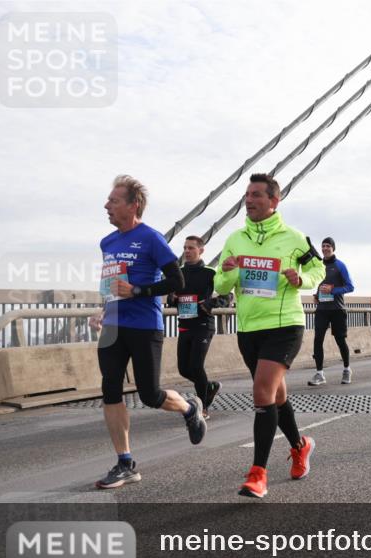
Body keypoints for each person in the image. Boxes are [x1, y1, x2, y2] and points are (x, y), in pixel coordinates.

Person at [91, 175, 205, 489]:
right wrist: (102, 310)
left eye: (113, 201)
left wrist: (139, 290)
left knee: (150, 395)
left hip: (144, 326)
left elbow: (177, 283)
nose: (107, 205)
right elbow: (110, 286)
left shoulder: (152, 238)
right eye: (108, 200)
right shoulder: (108, 242)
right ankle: (125, 462)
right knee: (110, 389)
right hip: (114, 325)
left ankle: (188, 406)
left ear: (133, 205)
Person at [214, 173, 325, 499]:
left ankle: (257, 473)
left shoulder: (294, 238)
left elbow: (318, 271)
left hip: (284, 326)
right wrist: (229, 270)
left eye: (256, 195)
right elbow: (220, 285)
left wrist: (300, 278)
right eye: (246, 195)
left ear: (273, 201)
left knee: (262, 391)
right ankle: (300, 445)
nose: (248, 200)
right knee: (275, 396)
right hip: (249, 329)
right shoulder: (235, 240)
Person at [167, 235, 226, 417]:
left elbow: (227, 297)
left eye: (191, 248)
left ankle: (203, 407)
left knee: (196, 365)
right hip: (184, 324)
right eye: (185, 248)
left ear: (201, 250)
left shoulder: (210, 273)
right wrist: (173, 298)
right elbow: (170, 297)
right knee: (184, 369)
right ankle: (209, 386)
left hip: (203, 324)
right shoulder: (178, 272)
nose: (186, 251)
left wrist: (209, 303)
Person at [309, 237, 355, 387]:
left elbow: (350, 287)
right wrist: (317, 295)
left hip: (337, 309)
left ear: (333, 248)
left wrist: (333, 290)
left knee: (340, 340)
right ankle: (320, 373)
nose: (325, 248)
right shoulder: (319, 265)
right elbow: (322, 283)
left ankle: (347, 369)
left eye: (328, 246)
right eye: (323, 246)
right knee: (317, 340)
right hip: (322, 309)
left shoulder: (340, 265)